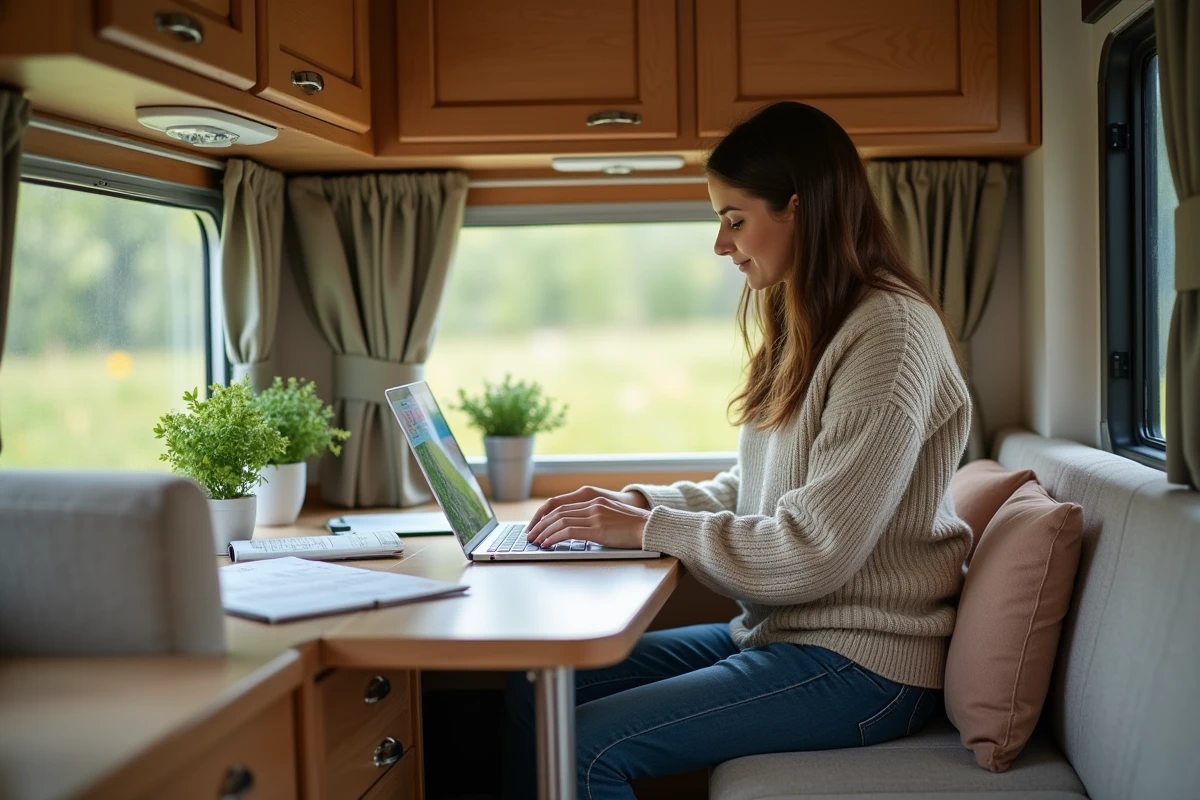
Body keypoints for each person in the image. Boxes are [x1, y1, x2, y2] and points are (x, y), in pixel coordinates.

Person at [502, 101, 972, 800]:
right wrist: (633, 503)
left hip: (865, 664)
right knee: (534, 684)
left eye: (733, 219)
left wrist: (648, 528)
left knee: (586, 750)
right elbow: (757, 488)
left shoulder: (891, 334)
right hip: (786, 636)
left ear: (799, 208)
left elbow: (814, 547)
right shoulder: (808, 315)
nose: (721, 246)